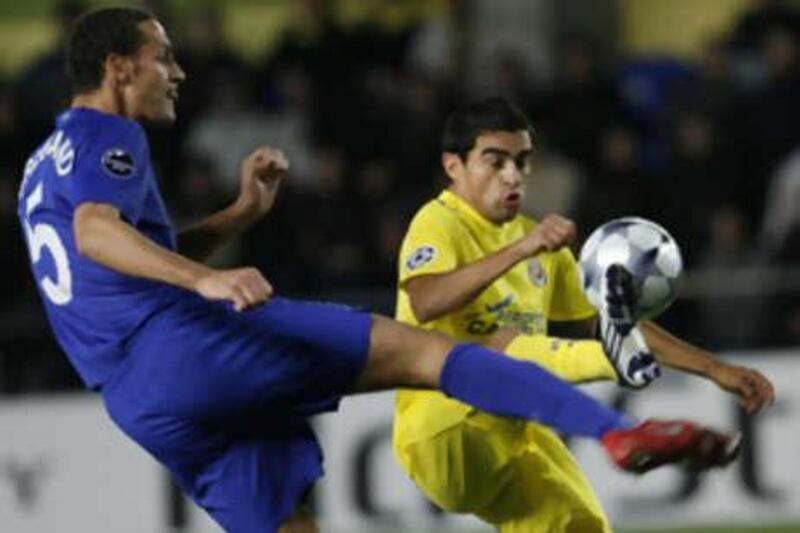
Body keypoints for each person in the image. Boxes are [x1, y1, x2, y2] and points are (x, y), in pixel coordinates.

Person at [18, 9, 742, 533]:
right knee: (431, 351)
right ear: (118, 69)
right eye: (161, 57)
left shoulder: (41, 166)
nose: (175, 71)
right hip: (187, 344)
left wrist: (239, 216)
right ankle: (610, 433)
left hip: (140, 400)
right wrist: (209, 280)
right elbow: (97, 235)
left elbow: (119, 258)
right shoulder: (110, 135)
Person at [392, 97, 776, 533]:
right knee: (502, 346)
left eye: (522, 161)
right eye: (494, 162)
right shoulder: (439, 221)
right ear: (453, 166)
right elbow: (426, 300)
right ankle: (610, 365)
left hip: (513, 428)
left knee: (583, 526)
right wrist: (520, 249)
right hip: (446, 429)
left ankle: (615, 363)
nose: (513, 175)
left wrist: (713, 367)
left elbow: (606, 321)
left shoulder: (538, 241)